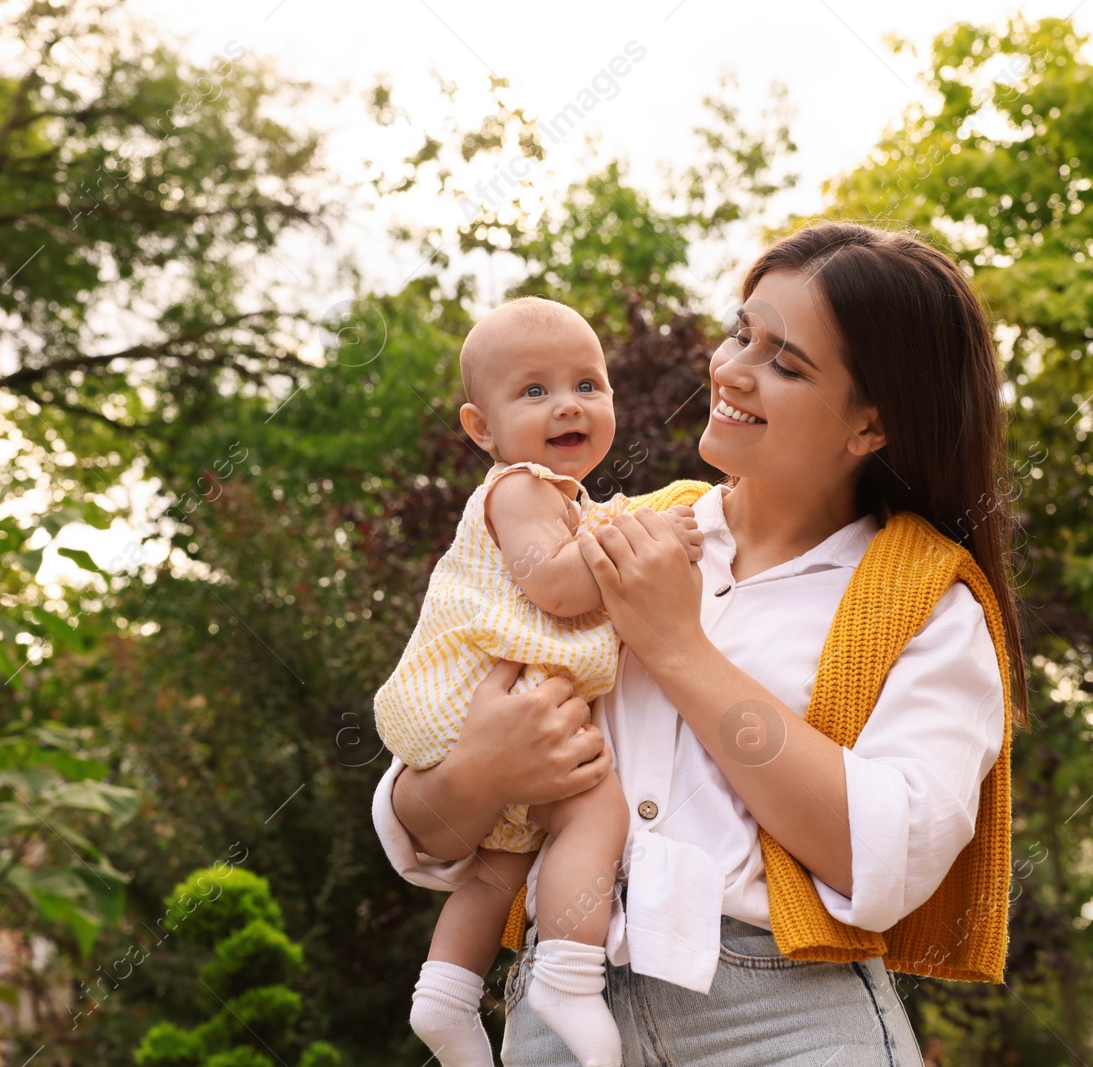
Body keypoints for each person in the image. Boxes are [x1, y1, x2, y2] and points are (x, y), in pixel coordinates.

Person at [377, 222, 1028, 1065]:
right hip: (559, 1014)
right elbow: (420, 818)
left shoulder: (928, 600)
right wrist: (478, 773)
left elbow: (884, 858)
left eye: (785, 363)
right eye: (740, 331)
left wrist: (677, 645)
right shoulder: (604, 536)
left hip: (788, 1020)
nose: (731, 369)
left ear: (871, 426)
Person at [373, 296, 704, 1067]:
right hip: (479, 698)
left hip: (503, 705)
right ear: (480, 428)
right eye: (534, 391)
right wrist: (640, 541)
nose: (568, 404)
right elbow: (556, 586)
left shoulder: (569, 502)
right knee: (596, 803)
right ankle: (566, 975)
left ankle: (446, 999)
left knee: (498, 867)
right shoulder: (520, 487)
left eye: (589, 385)